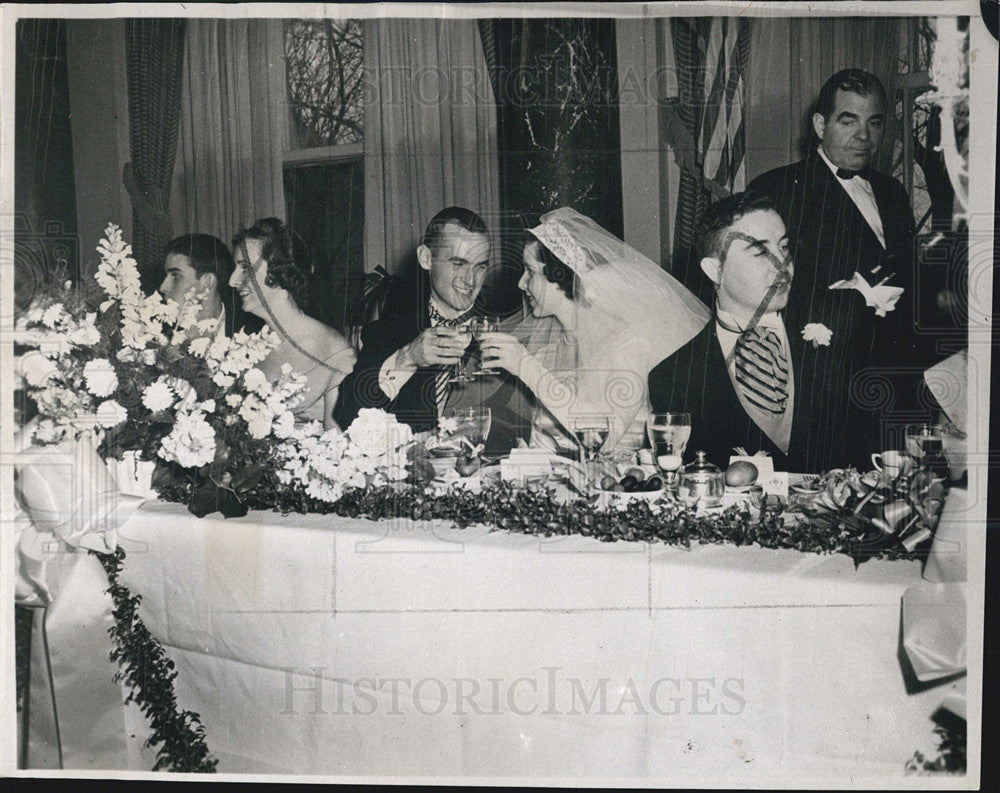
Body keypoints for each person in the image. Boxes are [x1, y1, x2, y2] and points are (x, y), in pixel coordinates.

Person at [748, 68, 919, 470]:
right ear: (820, 125)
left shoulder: (892, 192)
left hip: (896, 389)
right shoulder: (775, 189)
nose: (864, 135)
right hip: (822, 395)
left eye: (874, 122)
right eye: (849, 120)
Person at [478, 207, 710, 457]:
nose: (521, 283)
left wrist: (525, 365)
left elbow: (604, 439)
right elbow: (544, 437)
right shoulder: (550, 347)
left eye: (530, 271)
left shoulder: (625, 343)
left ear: (560, 274)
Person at [333, 207, 534, 453]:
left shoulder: (506, 335)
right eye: (458, 263)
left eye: (480, 266)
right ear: (426, 258)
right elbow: (348, 415)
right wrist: (406, 359)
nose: (470, 281)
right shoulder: (388, 332)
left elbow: (522, 431)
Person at [649, 190, 809, 470]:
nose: (782, 265)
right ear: (715, 270)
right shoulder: (673, 376)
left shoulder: (838, 339)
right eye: (760, 252)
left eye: (783, 247)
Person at [230, 218, 356, 429]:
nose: (232, 281)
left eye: (245, 269)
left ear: (281, 271)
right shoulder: (246, 347)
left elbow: (338, 451)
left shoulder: (335, 352)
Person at [159, 233, 236, 339]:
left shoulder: (250, 333)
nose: (163, 287)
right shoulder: (156, 334)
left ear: (207, 282)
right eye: (165, 276)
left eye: (176, 276)